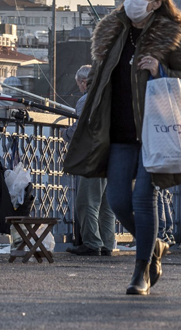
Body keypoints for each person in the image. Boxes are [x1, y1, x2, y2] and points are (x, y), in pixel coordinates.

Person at [64, 0, 181, 295]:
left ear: (155, 2)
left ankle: (141, 271)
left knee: (143, 197)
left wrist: (161, 70)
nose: (133, 0)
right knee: (117, 198)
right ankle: (153, 246)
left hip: (154, 131)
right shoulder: (113, 34)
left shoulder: (169, 36)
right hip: (119, 132)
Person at [67, 65, 117, 257]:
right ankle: (107, 243)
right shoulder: (111, 97)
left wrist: (66, 134)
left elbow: (81, 128)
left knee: (86, 201)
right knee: (106, 204)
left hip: (94, 155)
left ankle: (91, 243)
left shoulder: (86, 99)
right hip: (112, 154)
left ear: (83, 82)